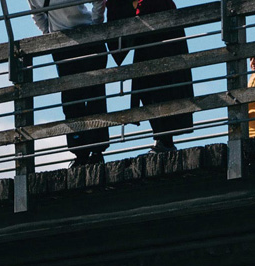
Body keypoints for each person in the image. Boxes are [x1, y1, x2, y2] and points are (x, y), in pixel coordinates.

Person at [28, 0, 109, 167]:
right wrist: (94, 25)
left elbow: (37, 14)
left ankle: (90, 151)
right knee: (82, 98)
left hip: (75, 39)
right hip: (73, 40)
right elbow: (36, 13)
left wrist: (50, 34)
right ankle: (88, 152)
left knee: (81, 98)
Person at [107, 0, 194, 153]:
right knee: (148, 89)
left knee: (163, 88)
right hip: (148, 42)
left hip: (164, 40)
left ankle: (164, 140)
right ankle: (162, 139)